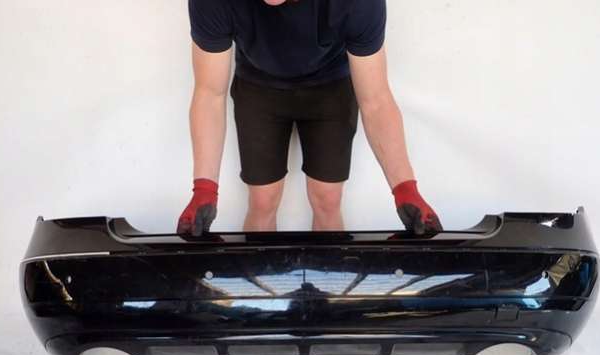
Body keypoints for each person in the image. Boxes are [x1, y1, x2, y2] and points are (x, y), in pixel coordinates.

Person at [178, 0, 443, 236]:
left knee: (327, 199)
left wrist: (405, 188)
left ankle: (328, 274)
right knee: (262, 200)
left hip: (330, 86)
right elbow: (209, 94)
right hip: (258, 85)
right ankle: (261, 275)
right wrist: (204, 188)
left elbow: (376, 100)